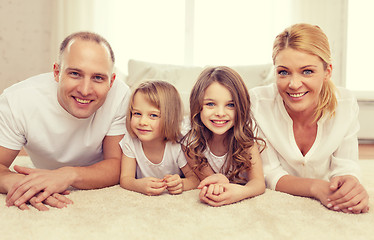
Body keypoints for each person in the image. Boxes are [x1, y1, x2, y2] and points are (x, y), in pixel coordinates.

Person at [0, 32, 131, 211]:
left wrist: (68, 175)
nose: (85, 90)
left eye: (98, 78)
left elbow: (117, 165)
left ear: (111, 81)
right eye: (75, 74)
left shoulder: (121, 95)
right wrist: (15, 181)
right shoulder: (17, 100)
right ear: (57, 72)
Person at [249, 23, 369, 214]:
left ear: (327, 71)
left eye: (307, 71)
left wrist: (349, 185)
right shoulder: (258, 103)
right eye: (283, 72)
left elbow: (346, 165)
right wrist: (316, 187)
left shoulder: (345, 103)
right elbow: (270, 172)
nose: (294, 84)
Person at [183, 66, 266, 207]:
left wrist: (241, 192)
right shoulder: (190, 141)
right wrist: (216, 186)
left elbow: (258, 183)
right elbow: (213, 180)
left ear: (241, 108)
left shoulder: (246, 138)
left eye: (230, 105)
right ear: (197, 106)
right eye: (210, 104)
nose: (220, 113)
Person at [119, 81, 199, 195]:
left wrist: (181, 183)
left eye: (153, 115)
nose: (142, 122)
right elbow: (126, 179)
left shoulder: (177, 145)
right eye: (137, 113)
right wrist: (139, 185)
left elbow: (194, 179)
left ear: (170, 119)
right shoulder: (130, 142)